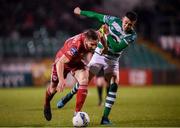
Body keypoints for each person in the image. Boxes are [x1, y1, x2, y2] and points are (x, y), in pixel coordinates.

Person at [57, 7, 137, 125]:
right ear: (122, 19)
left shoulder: (132, 35)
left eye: (130, 25)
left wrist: (107, 33)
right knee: (85, 81)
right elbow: (96, 15)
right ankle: (68, 96)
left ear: (133, 25)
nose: (126, 26)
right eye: (125, 23)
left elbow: (116, 48)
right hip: (99, 54)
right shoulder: (113, 21)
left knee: (114, 84)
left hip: (113, 60)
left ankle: (105, 118)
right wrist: (81, 12)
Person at [43, 29, 99, 121]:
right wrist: (61, 80)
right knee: (53, 89)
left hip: (76, 61)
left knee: (84, 80)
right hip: (62, 62)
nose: (94, 47)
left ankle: (77, 113)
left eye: (95, 44)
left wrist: (104, 46)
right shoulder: (76, 46)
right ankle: (46, 104)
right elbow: (60, 62)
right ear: (85, 40)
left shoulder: (95, 36)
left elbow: (101, 32)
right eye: (92, 45)